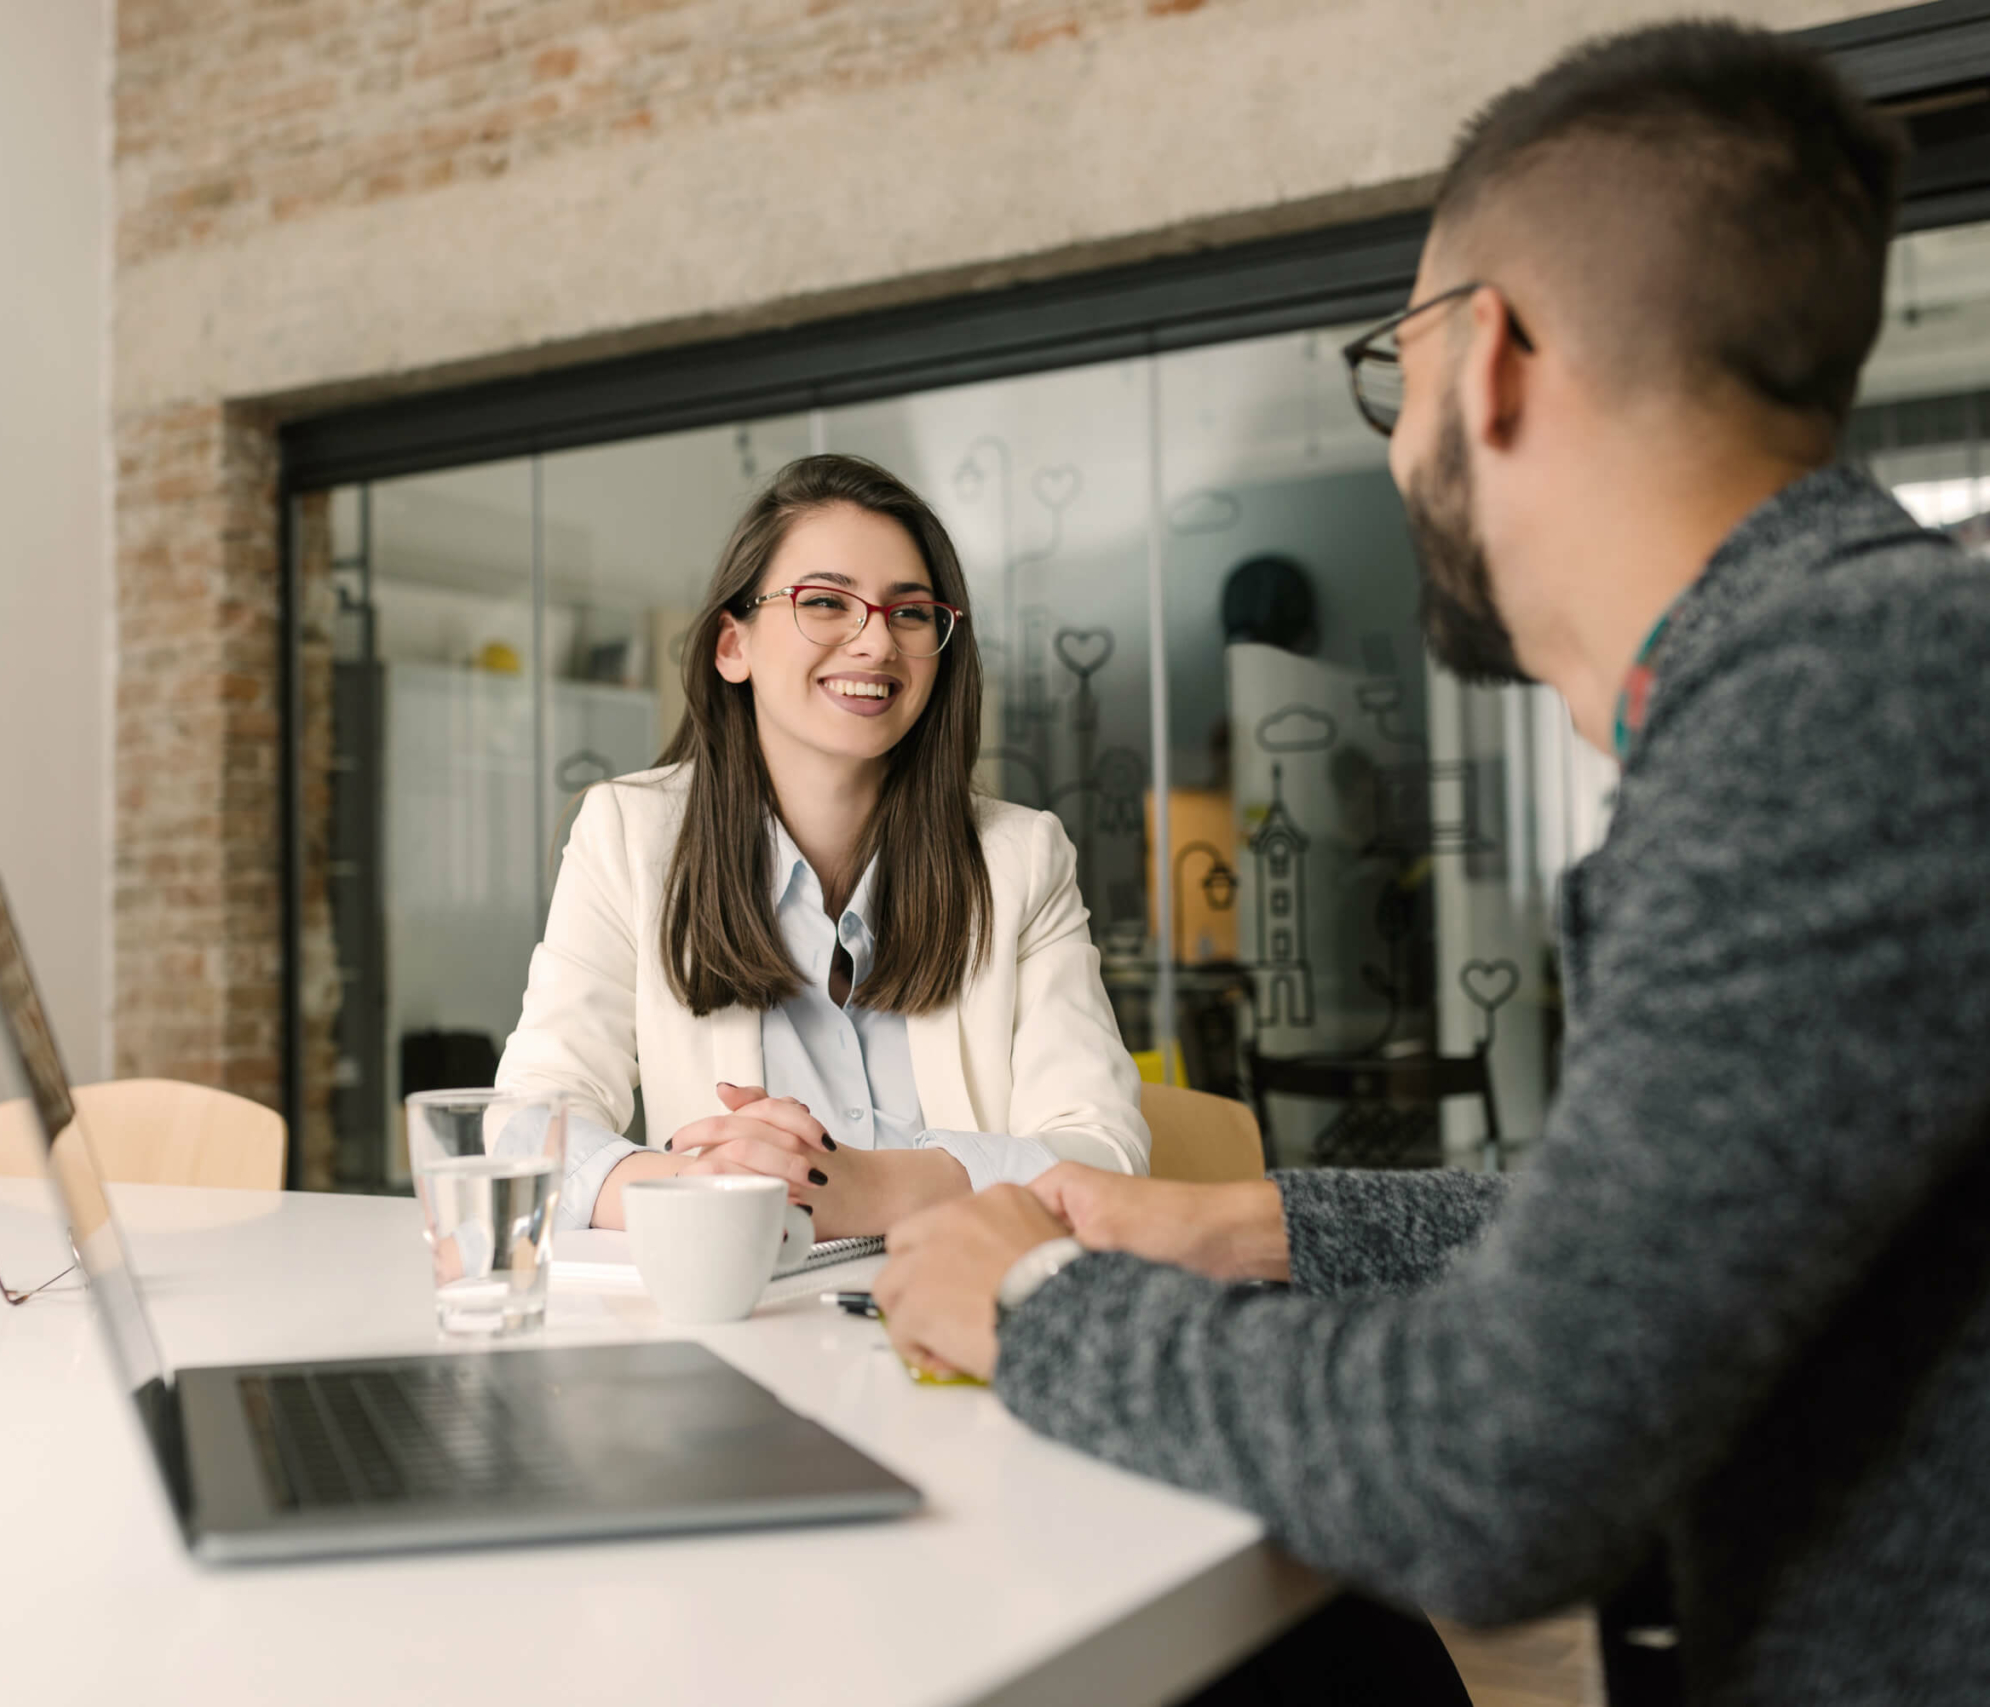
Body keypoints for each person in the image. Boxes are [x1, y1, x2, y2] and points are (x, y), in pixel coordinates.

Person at [876, 20, 1990, 1704]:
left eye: (1392, 375)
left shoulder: (1836, 718)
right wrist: (1261, 1227)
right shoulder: (1859, 675)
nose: (1400, 452)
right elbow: (1631, 1238)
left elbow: (1493, 1468)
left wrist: (1030, 1303)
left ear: (1488, 360)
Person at [496, 454, 1145, 1238]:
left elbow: (1105, 1155)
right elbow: (528, 1126)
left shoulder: (1023, 860)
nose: (875, 643)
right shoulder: (629, 837)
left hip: (969, 1318)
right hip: (742, 1323)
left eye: (909, 613)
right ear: (731, 646)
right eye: (827, 602)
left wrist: (872, 1187)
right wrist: (707, 1184)